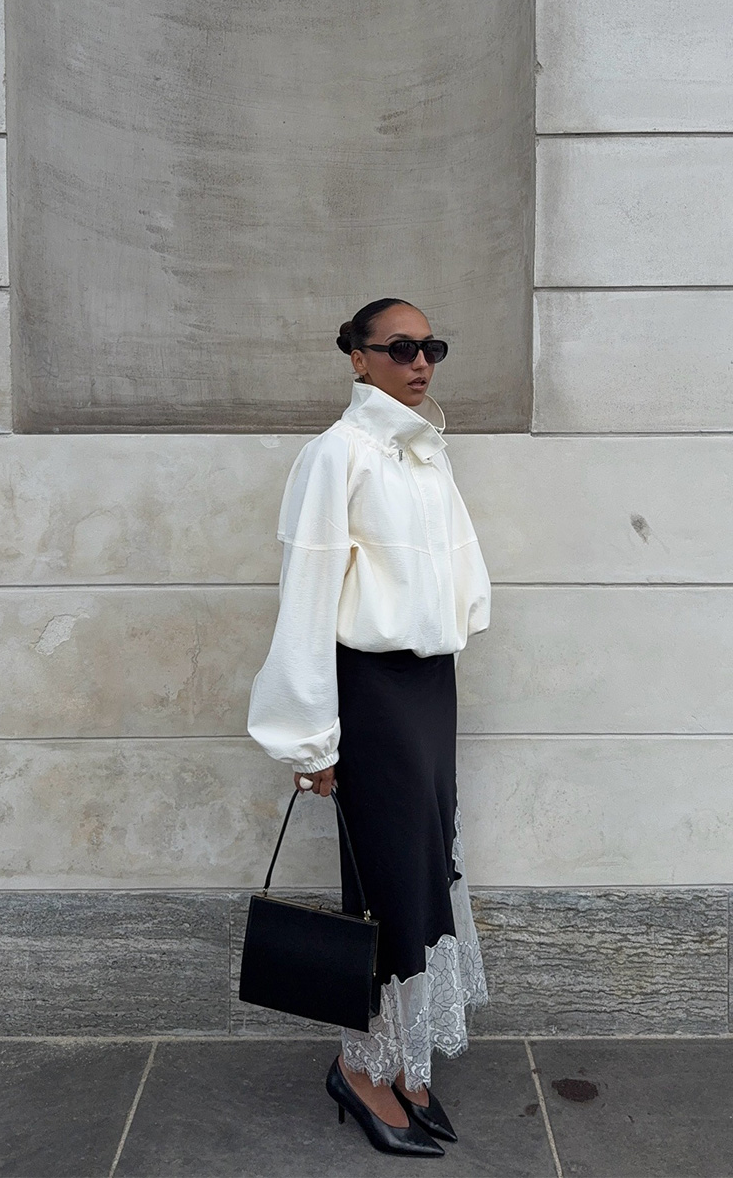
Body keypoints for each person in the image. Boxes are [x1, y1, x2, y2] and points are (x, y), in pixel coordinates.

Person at [247, 297, 492, 1157]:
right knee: (386, 874)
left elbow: (458, 568)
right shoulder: (337, 453)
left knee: (425, 860)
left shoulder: (425, 453)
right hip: (371, 689)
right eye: (400, 347)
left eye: (432, 347)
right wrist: (311, 737)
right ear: (358, 357)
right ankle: (361, 1067)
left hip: (430, 683)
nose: (420, 361)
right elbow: (307, 596)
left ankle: (406, 1057)